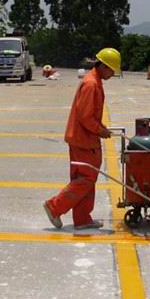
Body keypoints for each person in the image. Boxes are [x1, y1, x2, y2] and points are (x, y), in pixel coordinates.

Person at [43, 47, 121, 230]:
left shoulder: (94, 81)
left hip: (83, 138)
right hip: (84, 140)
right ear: (103, 66)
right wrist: (100, 131)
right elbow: (85, 116)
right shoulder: (91, 84)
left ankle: (82, 219)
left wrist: (101, 128)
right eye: (111, 70)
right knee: (86, 178)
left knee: (84, 178)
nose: (112, 74)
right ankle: (54, 207)